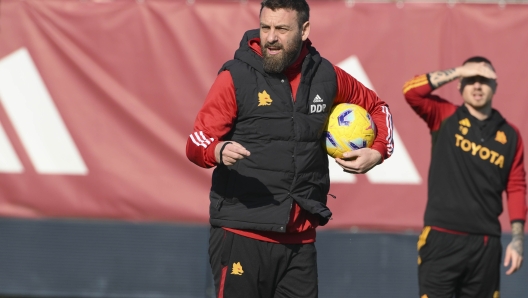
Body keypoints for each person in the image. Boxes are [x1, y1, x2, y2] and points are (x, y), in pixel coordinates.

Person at [186, 0, 394, 297]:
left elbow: (376, 106)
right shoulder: (235, 76)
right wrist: (217, 151)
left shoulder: (327, 76)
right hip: (242, 234)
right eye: (266, 27)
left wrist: (377, 151)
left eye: (282, 29)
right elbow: (196, 142)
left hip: (300, 243)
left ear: (305, 30)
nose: (271, 37)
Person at [403, 56, 527, 298]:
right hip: (441, 238)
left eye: (485, 79)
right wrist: (460, 70)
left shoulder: (510, 134)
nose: (478, 85)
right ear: (459, 85)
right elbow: (412, 92)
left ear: (495, 86)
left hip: (485, 244)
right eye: (471, 79)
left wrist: (518, 239)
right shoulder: (445, 115)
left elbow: (517, 187)